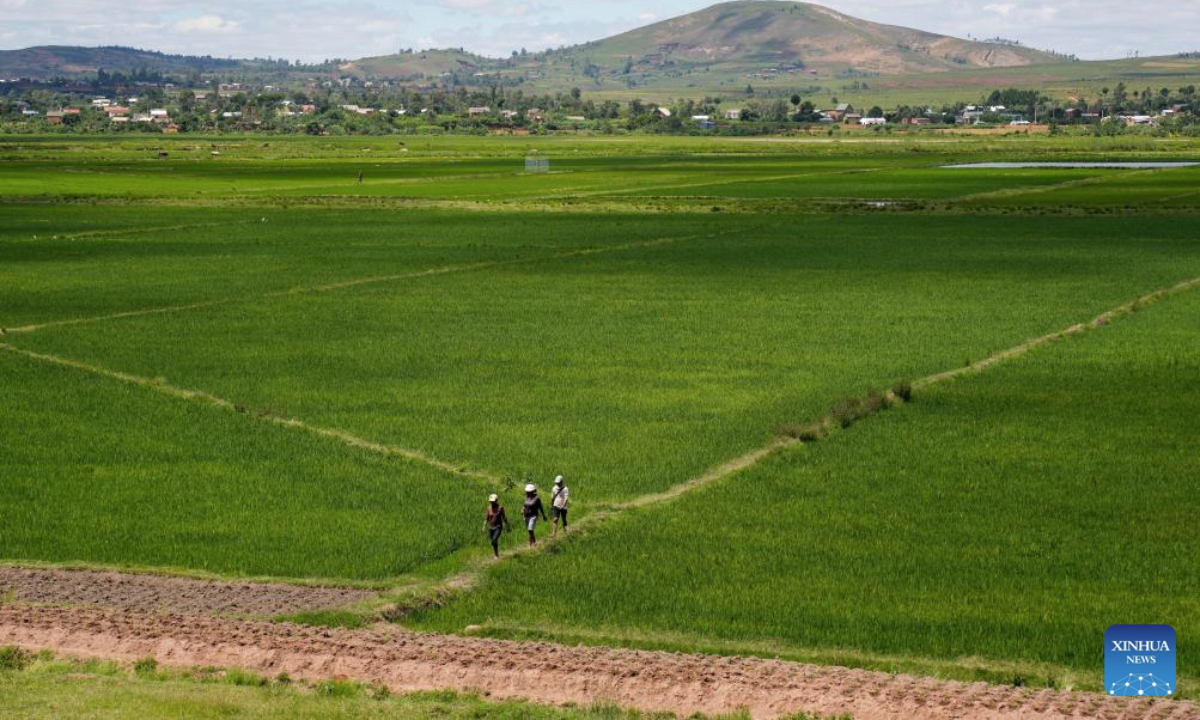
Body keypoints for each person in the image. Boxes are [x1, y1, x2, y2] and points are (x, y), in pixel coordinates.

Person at [484, 494, 510, 559]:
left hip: (498, 526)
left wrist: (507, 525)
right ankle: (496, 554)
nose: (492, 502)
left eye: (493, 501)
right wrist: (484, 526)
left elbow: (504, 517)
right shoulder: (489, 508)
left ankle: (496, 555)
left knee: (494, 540)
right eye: (491, 501)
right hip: (491, 527)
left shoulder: (500, 508)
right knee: (493, 542)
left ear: (496, 500)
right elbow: (486, 518)